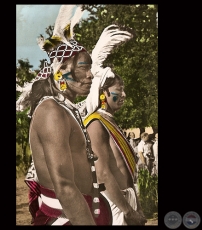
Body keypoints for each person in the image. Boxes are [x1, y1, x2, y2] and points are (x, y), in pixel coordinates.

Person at [16, 5, 112, 225]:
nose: (91, 75)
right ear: (61, 72)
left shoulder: (64, 108)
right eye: (84, 68)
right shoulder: (51, 112)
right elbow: (65, 186)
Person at [79, 25, 147, 225]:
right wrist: (128, 210)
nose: (124, 94)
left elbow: (124, 171)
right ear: (103, 93)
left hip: (126, 201)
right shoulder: (95, 124)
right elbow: (103, 173)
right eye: (120, 89)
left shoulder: (109, 121)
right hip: (113, 205)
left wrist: (137, 206)